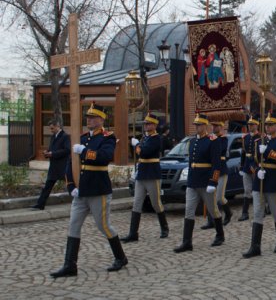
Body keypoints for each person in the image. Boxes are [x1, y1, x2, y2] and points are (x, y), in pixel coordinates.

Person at [51, 104, 126, 278]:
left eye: (93, 117)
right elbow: (71, 164)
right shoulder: (83, 138)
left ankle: (120, 257)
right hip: (81, 191)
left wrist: (84, 151)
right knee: (73, 225)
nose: (89, 120)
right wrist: (71, 186)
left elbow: (104, 158)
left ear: (101, 120)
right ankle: (70, 265)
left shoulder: (108, 137)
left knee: (104, 226)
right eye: (88, 117)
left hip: (98, 190)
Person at [173, 114, 224, 253]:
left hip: (206, 181)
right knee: (189, 211)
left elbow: (216, 164)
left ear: (206, 125)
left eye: (200, 125)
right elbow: (191, 162)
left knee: (213, 210)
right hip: (193, 181)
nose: (197, 127)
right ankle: (187, 242)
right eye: (196, 125)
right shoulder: (192, 141)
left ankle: (220, 235)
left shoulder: (213, 140)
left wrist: (213, 181)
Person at [242, 111, 276, 258]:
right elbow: (251, 160)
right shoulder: (258, 142)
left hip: (273, 181)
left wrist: (267, 151)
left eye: (270, 125)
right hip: (259, 181)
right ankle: (255, 246)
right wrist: (256, 170)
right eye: (266, 125)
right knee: (257, 213)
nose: (267, 127)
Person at [121, 113, 168, 243]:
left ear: (154, 125)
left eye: (148, 124)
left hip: (152, 174)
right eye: (145, 124)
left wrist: (136, 146)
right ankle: (133, 233)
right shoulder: (144, 138)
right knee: (136, 203)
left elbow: (145, 152)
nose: (146, 126)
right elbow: (141, 154)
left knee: (156, 203)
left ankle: (164, 227)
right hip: (142, 174)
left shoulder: (156, 138)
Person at [199, 120, 232, 230]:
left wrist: (212, 139)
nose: (214, 127)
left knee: (219, 197)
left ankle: (228, 212)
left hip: (221, 170)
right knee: (210, 197)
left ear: (221, 127)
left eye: (216, 126)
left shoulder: (223, 139)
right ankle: (211, 220)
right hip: (211, 170)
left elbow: (220, 150)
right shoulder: (210, 138)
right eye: (213, 125)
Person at [32, 119, 70, 210]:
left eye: (52, 128)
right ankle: (40, 204)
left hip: (62, 166)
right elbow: (51, 149)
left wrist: (53, 154)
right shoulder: (53, 137)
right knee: (47, 186)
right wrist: (47, 152)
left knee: (71, 185)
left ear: (58, 126)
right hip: (54, 166)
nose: (51, 130)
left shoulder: (65, 136)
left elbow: (67, 150)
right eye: (50, 129)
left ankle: (83, 203)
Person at [238, 115, 260, 221]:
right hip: (247, 166)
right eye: (249, 124)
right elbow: (243, 153)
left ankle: (262, 209)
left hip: (256, 166)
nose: (250, 126)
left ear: (257, 125)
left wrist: (257, 166)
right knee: (247, 190)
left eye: (252, 124)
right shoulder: (245, 137)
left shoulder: (260, 137)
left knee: (258, 190)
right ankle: (245, 213)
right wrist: (242, 167)